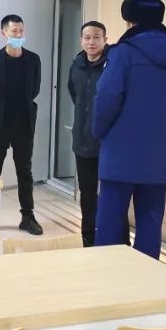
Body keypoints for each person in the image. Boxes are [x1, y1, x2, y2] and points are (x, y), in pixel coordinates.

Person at [92, 0, 166, 259]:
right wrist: (163, 125)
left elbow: (107, 99)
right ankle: (147, 276)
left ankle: (106, 274)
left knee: (110, 221)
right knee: (150, 220)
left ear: (131, 22)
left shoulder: (123, 54)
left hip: (120, 154)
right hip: (157, 157)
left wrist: (100, 132)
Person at [0, 14, 43, 235]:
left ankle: (28, 216)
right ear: (4, 33)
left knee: (24, 171)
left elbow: (34, 90)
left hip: (23, 124)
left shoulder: (33, 59)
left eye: (21, 31)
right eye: (14, 31)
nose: (18, 35)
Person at [67, 20, 117, 247]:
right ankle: (88, 237)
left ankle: (113, 238)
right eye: (87, 38)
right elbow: (74, 95)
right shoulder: (76, 66)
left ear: (105, 39)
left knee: (111, 194)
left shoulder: (113, 65)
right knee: (87, 193)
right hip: (82, 140)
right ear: (81, 40)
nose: (91, 42)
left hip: (108, 142)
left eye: (96, 37)